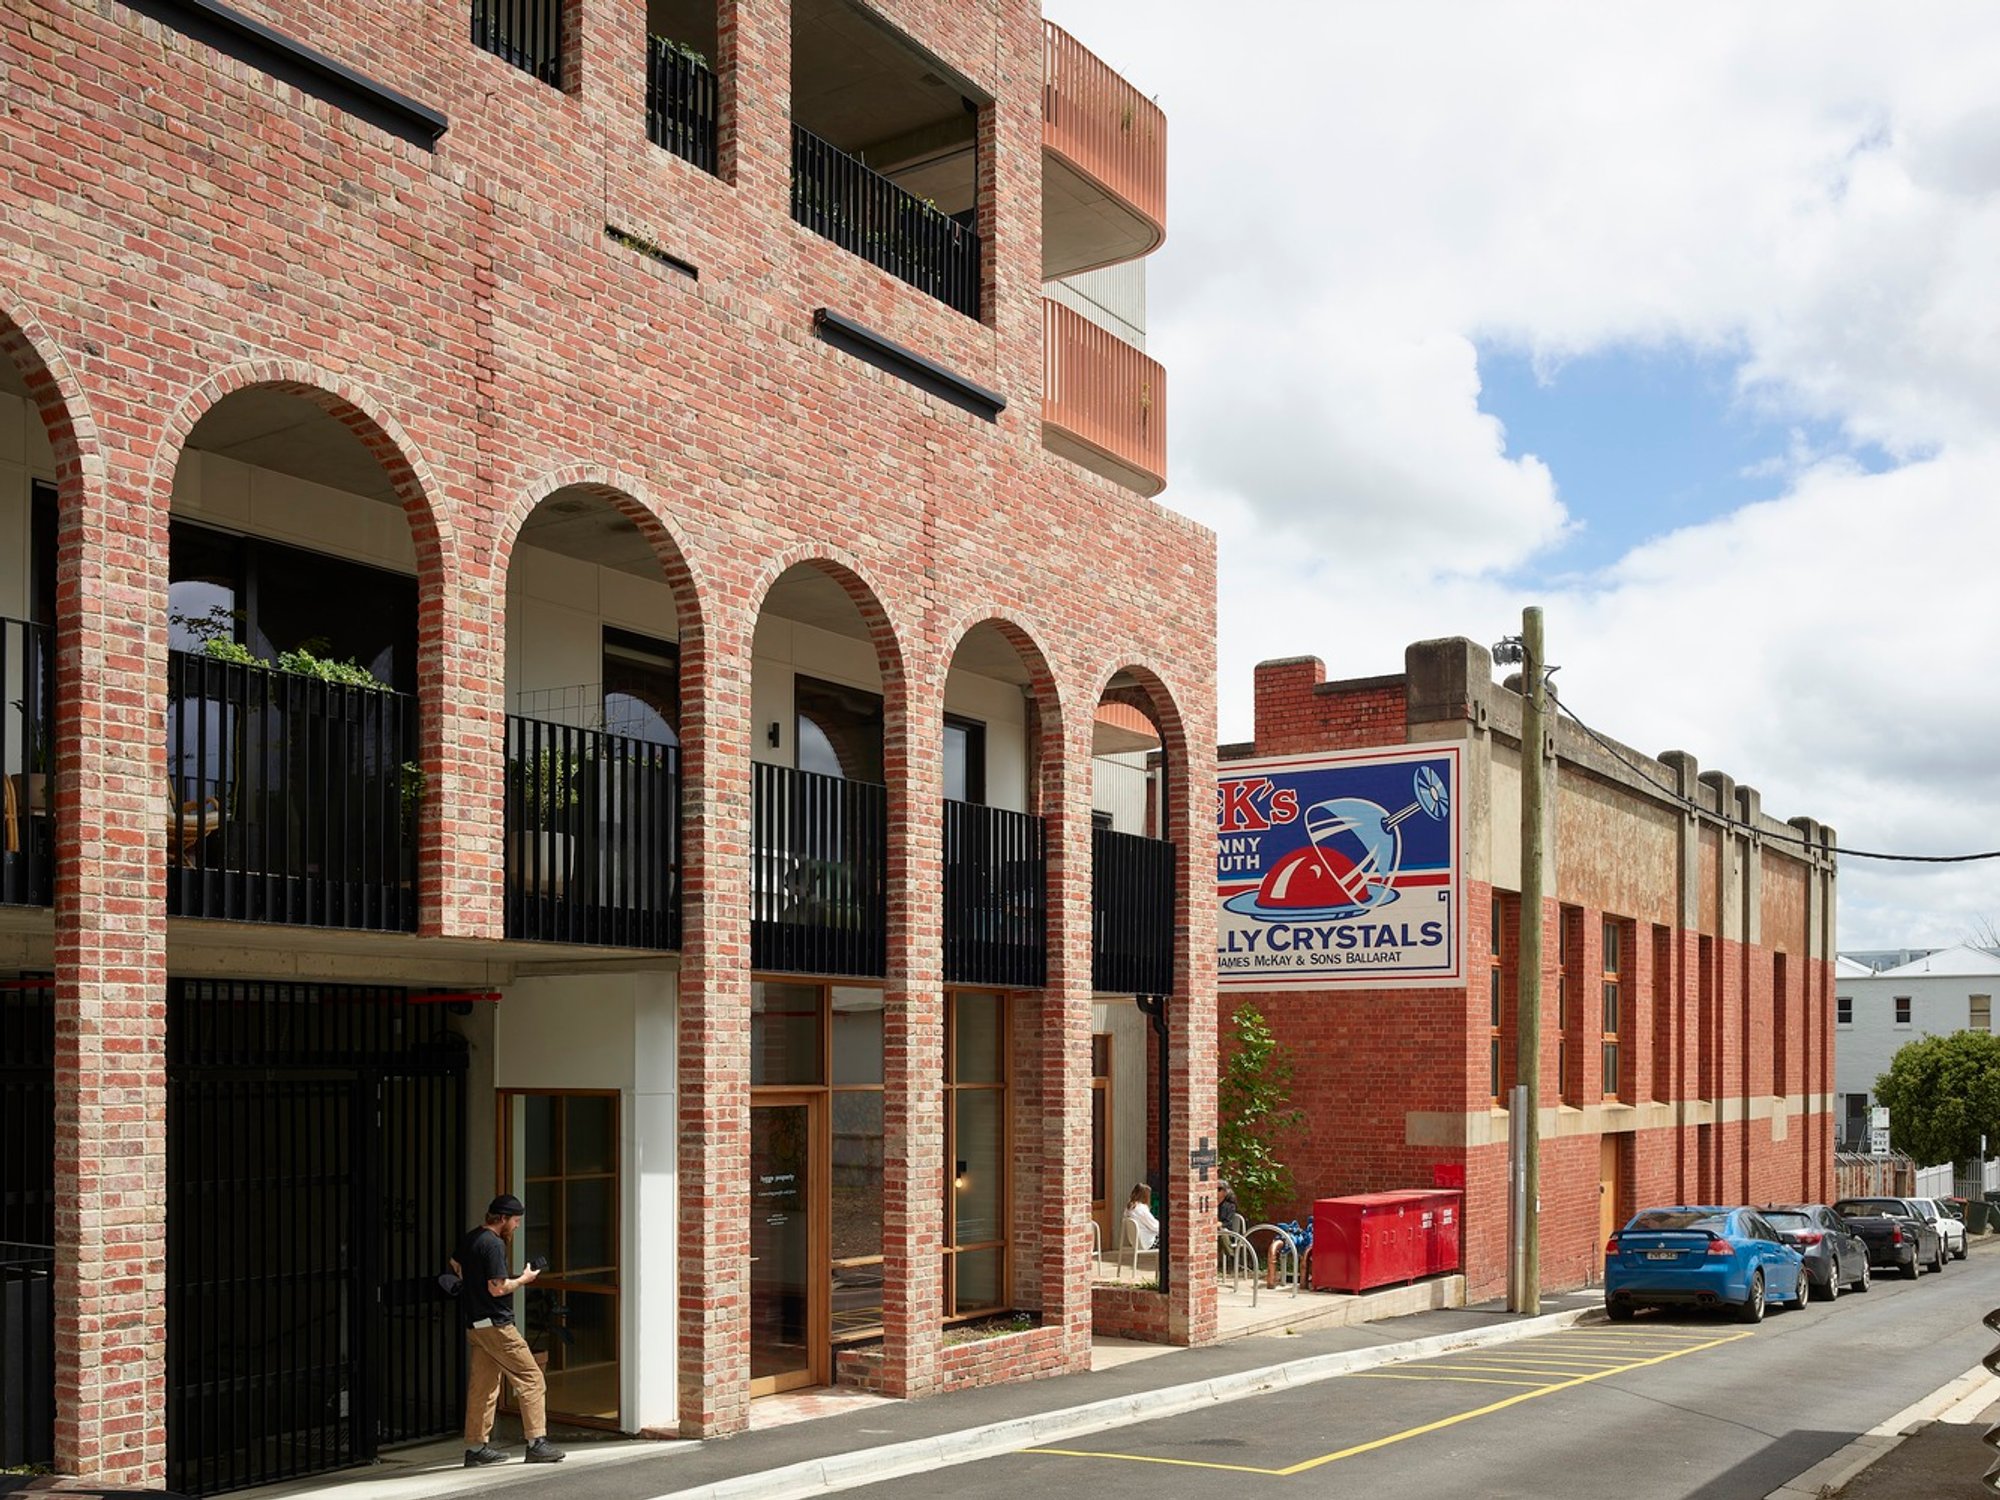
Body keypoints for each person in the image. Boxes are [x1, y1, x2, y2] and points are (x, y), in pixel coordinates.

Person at [455, 1194, 567, 1467]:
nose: (517, 1226)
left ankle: (476, 1449)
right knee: (532, 1378)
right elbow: (498, 1288)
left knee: (483, 1387)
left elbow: (455, 1265)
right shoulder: (493, 1244)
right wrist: (524, 1279)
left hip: (476, 1324)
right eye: (515, 1221)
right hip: (497, 1326)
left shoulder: (471, 1238)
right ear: (503, 1218)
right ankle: (536, 1443)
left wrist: (473, 1289)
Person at [1125, 1182, 1160, 1252]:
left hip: (1136, 1242)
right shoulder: (1141, 1209)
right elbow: (1155, 1226)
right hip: (1147, 1243)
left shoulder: (1128, 1208)